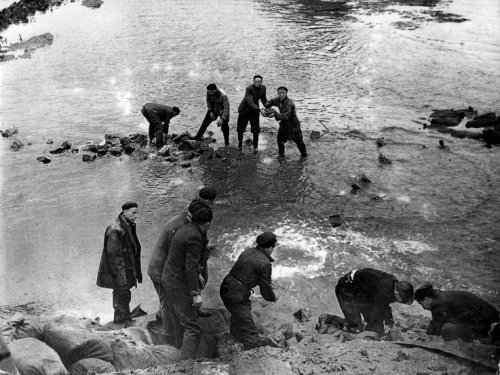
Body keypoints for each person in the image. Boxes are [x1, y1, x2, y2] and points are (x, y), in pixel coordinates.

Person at [147, 199, 210, 336]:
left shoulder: (187, 224)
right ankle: (168, 334)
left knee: (176, 300)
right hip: (160, 269)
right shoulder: (178, 227)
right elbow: (175, 255)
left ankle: (189, 314)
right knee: (167, 303)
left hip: (169, 268)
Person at [163, 208, 213, 359]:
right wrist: (195, 294)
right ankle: (186, 364)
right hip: (177, 284)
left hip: (168, 279)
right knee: (193, 327)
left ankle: (178, 351)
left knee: (178, 320)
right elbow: (190, 267)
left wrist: (197, 272)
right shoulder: (195, 237)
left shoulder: (184, 228)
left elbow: (185, 259)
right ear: (208, 223)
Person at [220, 232, 280, 349]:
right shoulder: (265, 263)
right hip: (236, 297)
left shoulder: (248, 251)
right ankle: (248, 355)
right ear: (270, 248)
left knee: (238, 319)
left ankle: (234, 342)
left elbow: (246, 273)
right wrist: (274, 297)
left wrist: (263, 281)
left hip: (226, 287)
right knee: (250, 333)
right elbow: (266, 292)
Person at [97, 201, 142, 327]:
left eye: (137, 212)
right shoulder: (115, 229)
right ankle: (127, 321)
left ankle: (118, 319)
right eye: (134, 212)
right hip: (118, 270)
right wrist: (121, 278)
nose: (136, 215)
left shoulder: (127, 224)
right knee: (123, 293)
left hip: (125, 267)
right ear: (125, 212)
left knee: (120, 293)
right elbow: (115, 258)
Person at [335, 268, 414, 336]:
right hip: (346, 289)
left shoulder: (395, 285)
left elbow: (384, 305)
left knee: (377, 329)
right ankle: (330, 319)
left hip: (363, 292)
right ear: (397, 293)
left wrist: (390, 323)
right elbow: (377, 309)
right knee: (356, 329)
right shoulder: (384, 290)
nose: (402, 302)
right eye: (402, 300)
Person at [414, 283, 499, 342]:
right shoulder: (436, 296)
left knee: (447, 329)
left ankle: (487, 334)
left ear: (427, 300)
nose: (423, 308)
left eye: (422, 304)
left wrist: (425, 337)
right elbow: (437, 321)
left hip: (486, 317)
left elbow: (436, 326)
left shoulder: (438, 304)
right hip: (486, 313)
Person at [264, 86, 307, 158]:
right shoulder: (278, 100)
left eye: (283, 93)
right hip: (284, 125)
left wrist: (274, 113)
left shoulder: (289, 103)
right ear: (278, 93)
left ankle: (304, 157)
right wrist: (266, 107)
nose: (281, 95)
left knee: (299, 143)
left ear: (286, 93)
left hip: (293, 125)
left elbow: (285, 116)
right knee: (280, 140)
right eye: (279, 93)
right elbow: (270, 102)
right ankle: (281, 156)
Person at [237, 75, 268, 153]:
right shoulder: (249, 89)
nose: (257, 83)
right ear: (253, 82)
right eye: (256, 82)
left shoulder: (263, 88)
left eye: (259, 82)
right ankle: (240, 144)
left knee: (256, 129)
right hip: (244, 109)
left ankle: (255, 146)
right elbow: (250, 102)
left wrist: (268, 107)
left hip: (254, 110)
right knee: (240, 129)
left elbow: (264, 100)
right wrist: (260, 109)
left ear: (262, 82)